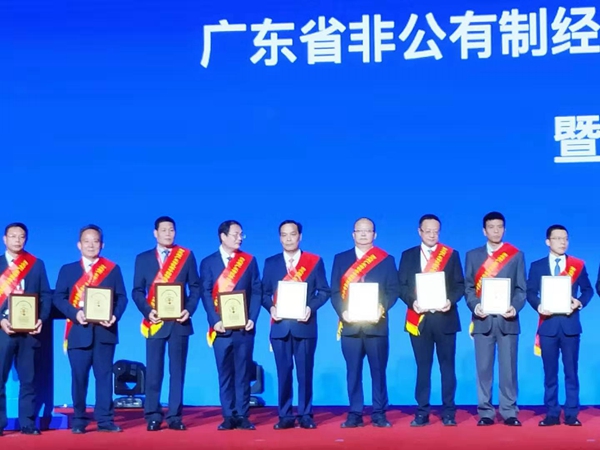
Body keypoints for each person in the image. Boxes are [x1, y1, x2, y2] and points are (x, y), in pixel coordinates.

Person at [53, 225, 128, 434]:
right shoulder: (68, 270)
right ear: (79, 245)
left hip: (105, 332)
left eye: (95, 241)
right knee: (79, 378)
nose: (91, 245)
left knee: (104, 378)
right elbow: (58, 298)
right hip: (78, 332)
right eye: (87, 241)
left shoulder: (112, 269)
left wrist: (114, 315)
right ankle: (79, 420)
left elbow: (122, 297)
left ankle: (105, 420)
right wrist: (74, 313)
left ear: (102, 244)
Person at [132, 216, 200, 431]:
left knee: (177, 372)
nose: (168, 234)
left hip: (179, 323)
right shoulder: (143, 259)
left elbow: (195, 287)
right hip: (155, 322)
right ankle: (153, 415)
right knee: (154, 371)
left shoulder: (186, 256)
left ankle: (174, 416)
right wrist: (148, 311)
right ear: (155, 233)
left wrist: (188, 310)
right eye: (164, 230)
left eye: (171, 230)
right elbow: (137, 291)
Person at [261, 220, 331, 430]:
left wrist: (310, 307)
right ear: (279, 238)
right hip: (280, 326)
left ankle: (306, 414)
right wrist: (271, 308)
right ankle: (285, 415)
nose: (288, 239)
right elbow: (263, 293)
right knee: (283, 373)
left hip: (305, 326)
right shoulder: (271, 263)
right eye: (284, 235)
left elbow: (324, 291)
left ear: (300, 236)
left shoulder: (314, 261)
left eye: (292, 234)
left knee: (305, 373)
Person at [330, 217, 399, 428]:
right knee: (353, 372)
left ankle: (379, 412)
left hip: (376, 326)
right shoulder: (341, 259)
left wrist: (382, 307)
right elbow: (335, 291)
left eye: (367, 231)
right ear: (353, 234)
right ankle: (355, 413)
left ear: (374, 235)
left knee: (378, 371)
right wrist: (343, 311)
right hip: (350, 325)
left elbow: (393, 290)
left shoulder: (386, 260)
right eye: (359, 230)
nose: (363, 234)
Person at [398, 214, 464, 427]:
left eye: (436, 231)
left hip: (445, 319)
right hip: (419, 320)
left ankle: (449, 412)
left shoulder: (451, 255)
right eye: (428, 231)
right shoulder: (408, 255)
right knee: (423, 367)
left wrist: (449, 300)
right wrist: (413, 302)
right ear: (419, 231)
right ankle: (422, 412)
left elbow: (459, 285)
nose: (432, 235)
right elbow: (401, 286)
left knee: (447, 367)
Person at [526, 224, 593, 426]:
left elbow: (588, 290)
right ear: (548, 241)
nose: (562, 242)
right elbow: (530, 292)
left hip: (570, 326)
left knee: (571, 372)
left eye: (565, 238)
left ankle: (572, 413)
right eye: (557, 238)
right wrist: (539, 306)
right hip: (548, 326)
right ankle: (552, 413)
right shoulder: (537, 266)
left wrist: (579, 302)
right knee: (550, 373)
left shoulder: (577, 265)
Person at [464, 212, 526, 426]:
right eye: (491, 227)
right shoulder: (473, 256)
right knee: (483, 369)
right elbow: (468, 288)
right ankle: (485, 413)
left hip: (508, 321)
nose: (496, 230)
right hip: (483, 320)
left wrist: (514, 307)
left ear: (504, 229)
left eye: (499, 227)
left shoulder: (516, 255)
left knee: (509, 370)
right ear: (484, 231)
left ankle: (509, 411)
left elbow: (521, 289)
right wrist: (476, 306)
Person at [200, 220, 262, 430]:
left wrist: (252, 317)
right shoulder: (208, 262)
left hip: (244, 328)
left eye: (241, 234)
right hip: (221, 329)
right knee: (225, 373)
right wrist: (214, 320)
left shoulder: (249, 261)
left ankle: (243, 415)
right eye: (235, 234)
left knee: (243, 373)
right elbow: (205, 293)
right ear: (223, 236)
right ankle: (228, 415)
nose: (239, 238)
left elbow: (257, 291)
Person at [0, 223, 52, 436]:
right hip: (3, 331)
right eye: (13, 236)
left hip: (29, 332)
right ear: (5, 239)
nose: (17, 240)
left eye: (21, 236)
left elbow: (46, 295)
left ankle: (28, 423)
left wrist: (40, 319)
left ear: (26, 239)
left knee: (29, 380)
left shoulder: (36, 264)